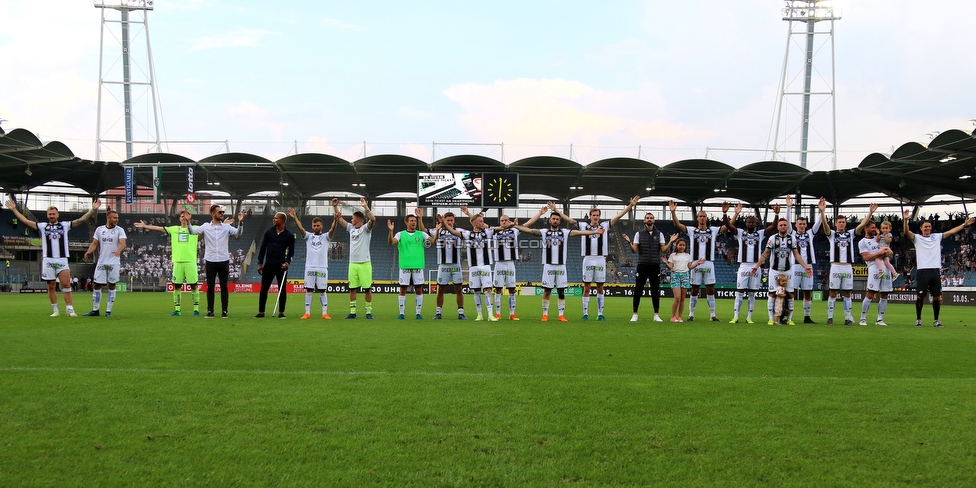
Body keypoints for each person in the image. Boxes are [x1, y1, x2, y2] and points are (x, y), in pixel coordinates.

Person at [5, 198, 100, 317]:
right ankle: (55, 310)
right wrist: (14, 210)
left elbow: (81, 220)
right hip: (48, 259)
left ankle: (69, 309)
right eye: (49, 214)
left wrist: (92, 209)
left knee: (66, 285)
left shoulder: (65, 225)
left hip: (62, 259)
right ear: (47, 215)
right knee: (51, 286)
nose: (52, 216)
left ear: (57, 215)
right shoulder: (42, 226)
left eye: (53, 213)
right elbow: (26, 221)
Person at [548, 197, 638, 320]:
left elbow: (619, 215)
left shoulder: (605, 225)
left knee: (600, 287)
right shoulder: (583, 225)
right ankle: (585, 314)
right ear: (590, 216)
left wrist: (630, 205)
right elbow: (569, 219)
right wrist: (556, 210)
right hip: (588, 258)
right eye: (593, 215)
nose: (595, 217)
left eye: (597, 215)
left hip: (601, 259)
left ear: (599, 216)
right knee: (587, 287)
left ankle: (600, 314)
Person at [512, 204, 604, 322]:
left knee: (561, 291)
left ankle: (561, 314)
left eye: (557, 219)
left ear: (559, 221)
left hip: (561, 266)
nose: (555, 220)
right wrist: (517, 227)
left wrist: (594, 232)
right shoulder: (544, 232)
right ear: (550, 220)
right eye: (553, 219)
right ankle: (545, 314)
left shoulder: (565, 232)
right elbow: (530, 230)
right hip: (548, 265)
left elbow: (580, 233)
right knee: (547, 291)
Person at [902, 210, 974, 327]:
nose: (927, 228)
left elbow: (951, 232)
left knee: (936, 296)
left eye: (929, 226)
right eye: (925, 226)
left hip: (935, 270)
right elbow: (906, 231)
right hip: (923, 271)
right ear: (921, 228)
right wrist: (905, 220)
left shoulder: (937, 236)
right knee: (920, 296)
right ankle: (919, 319)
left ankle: (936, 320)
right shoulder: (917, 238)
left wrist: (964, 225)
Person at [669, 200, 734, 321]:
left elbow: (728, 226)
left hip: (709, 263)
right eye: (700, 216)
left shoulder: (713, 230)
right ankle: (691, 315)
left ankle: (712, 315)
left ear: (707, 218)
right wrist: (673, 212)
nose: (702, 218)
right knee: (694, 289)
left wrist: (732, 214)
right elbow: (678, 224)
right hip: (695, 263)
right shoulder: (692, 230)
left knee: (710, 289)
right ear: (697, 218)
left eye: (704, 216)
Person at [134, 210, 201, 316]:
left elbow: (210, 229)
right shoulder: (174, 229)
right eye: (182, 216)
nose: (184, 217)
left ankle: (196, 309)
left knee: (194, 286)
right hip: (177, 262)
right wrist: (145, 226)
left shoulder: (196, 228)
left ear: (190, 216)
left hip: (190, 261)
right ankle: (177, 310)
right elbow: (159, 228)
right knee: (177, 286)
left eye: (186, 216)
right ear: (179, 218)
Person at [722, 202, 776, 324]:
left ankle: (749, 317)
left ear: (756, 224)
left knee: (752, 293)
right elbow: (728, 226)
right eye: (749, 222)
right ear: (746, 223)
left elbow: (773, 226)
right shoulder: (741, 233)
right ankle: (735, 316)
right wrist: (725, 214)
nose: (751, 224)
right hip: (744, 265)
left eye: (753, 222)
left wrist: (776, 214)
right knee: (740, 292)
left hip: (756, 266)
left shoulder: (760, 234)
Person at [754, 218, 813, 325]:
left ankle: (790, 319)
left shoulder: (792, 239)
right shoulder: (772, 238)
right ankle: (771, 319)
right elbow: (765, 253)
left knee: (790, 294)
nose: (783, 227)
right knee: (772, 294)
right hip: (775, 271)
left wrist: (805, 266)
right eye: (781, 225)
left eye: (785, 225)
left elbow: (796, 254)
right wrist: (757, 266)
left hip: (788, 271)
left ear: (788, 226)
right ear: (778, 227)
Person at [189, 204, 244, 318]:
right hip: (210, 260)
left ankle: (225, 311)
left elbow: (238, 233)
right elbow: (192, 232)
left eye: (222, 212)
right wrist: (189, 222)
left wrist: (240, 223)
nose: (222, 214)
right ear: (213, 213)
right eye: (220, 212)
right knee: (210, 287)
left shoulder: (226, 227)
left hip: (224, 260)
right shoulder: (205, 226)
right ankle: (210, 311)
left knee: (224, 286)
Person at [621, 211, 673, 322]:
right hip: (642, 264)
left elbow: (663, 250)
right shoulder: (638, 234)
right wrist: (629, 242)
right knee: (638, 289)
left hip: (655, 265)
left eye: (651, 218)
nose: (649, 219)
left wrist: (671, 242)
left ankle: (656, 315)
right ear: (644, 220)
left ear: (654, 220)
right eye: (647, 218)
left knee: (655, 290)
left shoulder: (660, 234)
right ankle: (635, 314)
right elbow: (634, 250)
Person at [288, 208, 338, 320]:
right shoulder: (308, 236)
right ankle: (307, 312)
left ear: (321, 226)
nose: (316, 227)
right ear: (312, 226)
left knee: (322, 290)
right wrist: (295, 217)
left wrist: (335, 220)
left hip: (322, 267)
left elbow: (332, 229)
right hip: (310, 267)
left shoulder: (325, 237)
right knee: (309, 289)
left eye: (318, 225)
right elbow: (300, 228)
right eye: (314, 225)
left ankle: (324, 312)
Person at [333, 198, 375, 319]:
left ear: (357, 219)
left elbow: (373, 219)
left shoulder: (366, 229)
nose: (351, 220)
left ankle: (368, 312)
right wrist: (335, 207)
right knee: (352, 288)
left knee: (367, 289)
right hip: (353, 264)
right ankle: (352, 312)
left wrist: (366, 207)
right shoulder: (351, 228)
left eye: (352, 218)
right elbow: (340, 219)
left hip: (365, 263)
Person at [387, 209, 433, 320]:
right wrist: (390, 231)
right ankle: (402, 313)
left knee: (419, 290)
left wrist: (438, 230)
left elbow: (433, 241)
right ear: (406, 222)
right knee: (403, 290)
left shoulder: (421, 234)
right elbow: (391, 242)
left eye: (415, 221)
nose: (414, 222)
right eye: (411, 220)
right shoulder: (400, 234)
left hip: (418, 266)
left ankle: (418, 313)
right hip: (405, 266)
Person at [783, 195, 822, 323]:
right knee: (792, 292)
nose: (802, 226)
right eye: (800, 224)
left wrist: (822, 210)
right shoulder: (792, 233)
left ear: (806, 225)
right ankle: (789, 317)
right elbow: (787, 223)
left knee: (807, 292)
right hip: (795, 265)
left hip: (808, 266)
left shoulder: (810, 233)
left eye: (804, 224)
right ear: (796, 225)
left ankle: (807, 317)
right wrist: (789, 208)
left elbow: (818, 223)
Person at [82, 209, 127, 317]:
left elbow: (123, 243)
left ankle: (108, 311)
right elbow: (94, 243)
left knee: (112, 285)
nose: (117, 220)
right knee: (96, 285)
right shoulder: (99, 229)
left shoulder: (119, 230)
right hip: (102, 262)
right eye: (115, 218)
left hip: (114, 262)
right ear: (108, 218)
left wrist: (118, 250)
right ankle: (95, 310)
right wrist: (88, 251)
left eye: (117, 218)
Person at [254, 212, 295, 319]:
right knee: (264, 288)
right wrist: (259, 263)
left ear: (282, 220)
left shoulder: (289, 235)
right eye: (274, 218)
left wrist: (287, 263)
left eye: (276, 218)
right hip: (269, 264)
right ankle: (261, 312)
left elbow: (291, 252)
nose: (274, 220)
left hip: (281, 265)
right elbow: (263, 248)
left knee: (282, 289)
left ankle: (281, 312)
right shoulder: (268, 232)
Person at [459, 207, 498, 322]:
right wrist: (444, 224)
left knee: (487, 290)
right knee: (476, 291)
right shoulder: (467, 234)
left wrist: (512, 225)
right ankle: (479, 314)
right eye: (481, 221)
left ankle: (490, 314)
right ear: (475, 223)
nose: (483, 223)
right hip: (473, 267)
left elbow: (501, 227)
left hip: (485, 266)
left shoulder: (487, 232)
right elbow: (455, 232)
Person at [430, 212, 468, 320]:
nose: (450, 222)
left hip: (456, 264)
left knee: (459, 288)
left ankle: (461, 313)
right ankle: (438, 312)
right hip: (443, 265)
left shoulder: (459, 231)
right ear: (444, 220)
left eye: (451, 220)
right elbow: (424, 230)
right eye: (448, 220)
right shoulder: (438, 230)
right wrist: (419, 218)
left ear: (454, 221)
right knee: (441, 289)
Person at [858, 219, 894, 326]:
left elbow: (890, 251)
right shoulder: (862, 242)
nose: (874, 229)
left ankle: (880, 319)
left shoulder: (879, 238)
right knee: (870, 293)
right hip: (874, 267)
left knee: (884, 294)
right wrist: (880, 254)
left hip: (886, 267)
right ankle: (863, 318)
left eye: (875, 227)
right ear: (866, 228)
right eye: (872, 227)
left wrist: (889, 252)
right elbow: (867, 257)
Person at [665, 237, 704, 322]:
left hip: (685, 276)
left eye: (683, 245)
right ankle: (673, 316)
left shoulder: (688, 256)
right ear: (677, 245)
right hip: (675, 275)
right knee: (677, 297)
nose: (682, 246)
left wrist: (697, 263)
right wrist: (666, 263)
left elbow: (690, 267)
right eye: (680, 245)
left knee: (683, 299)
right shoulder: (673, 255)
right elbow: (671, 267)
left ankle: (680, 317)